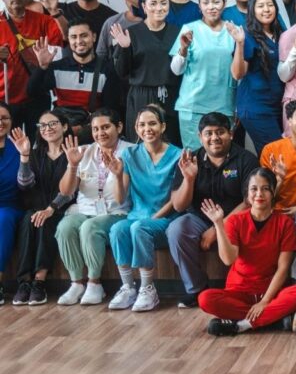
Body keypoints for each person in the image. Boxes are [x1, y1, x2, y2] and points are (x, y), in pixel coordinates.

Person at [199, 168, 296, 336]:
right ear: (247, 193)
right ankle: (276, 320)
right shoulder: (236, 220)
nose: (259, 194)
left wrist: (265, 301)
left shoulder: (285, 223)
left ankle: (241, 325)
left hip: (272, 292)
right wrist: (218, 224)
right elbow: (229, 259)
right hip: (239, 291)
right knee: (205, 299)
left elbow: (283, 269)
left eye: (265, 188)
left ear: (273, 192)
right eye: (254, 189)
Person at [168, 112, 259, 308]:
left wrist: (218, 228)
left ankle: (243, 290)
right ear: (200, 137)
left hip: (236, 219)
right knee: (176, 229)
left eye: (220, 132)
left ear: (231, 134)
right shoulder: (190, 159)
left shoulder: (247, 159)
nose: (215, 138)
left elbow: (250, 202)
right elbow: (178, 205)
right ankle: (196, 289)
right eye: (208, 133)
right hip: (199, 219)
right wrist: (189, 179)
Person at [106, 105, 183, 312]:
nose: (147, 129)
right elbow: (120, 198)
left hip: (166, 218)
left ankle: (148, 288)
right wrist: (117, 175)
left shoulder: (178, 155)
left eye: (152, 123)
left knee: (139, 227)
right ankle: (128, 287)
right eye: (142, 124)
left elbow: (176, 199)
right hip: (137, 216)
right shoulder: (129, 154)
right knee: (117, 229)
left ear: (163, 126)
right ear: (136, 128)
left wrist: (153, 218)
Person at [54, 109, 133, 306]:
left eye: (105, 127)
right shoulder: (83, 151)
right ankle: (76, 283)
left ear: (119, 127)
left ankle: (94, 282)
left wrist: (117, 174)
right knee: (65, 227)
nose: (100, 133)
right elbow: (65, 191)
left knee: (90, 227)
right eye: (96, 129)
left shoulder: (130, 151)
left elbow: (120, 198)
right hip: (85, 210)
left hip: (117, 212)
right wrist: (72, 166)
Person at [10, 111, 69, 305]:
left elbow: (71, 191)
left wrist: (51, 208)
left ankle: (39, 282)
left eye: (53, 124)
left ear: (64, 126)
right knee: (29, 220)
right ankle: (24, 282)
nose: (47, 128)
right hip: (37, 208)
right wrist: (24, 156)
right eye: (43, 125)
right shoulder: (35, 154)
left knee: (45, 221)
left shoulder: (73, 152)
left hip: (62, 209)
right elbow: (25, 185)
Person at [169, 0, 237, 150]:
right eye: (205, 2)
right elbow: (176, 70)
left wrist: (237, 107)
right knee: (194, 157)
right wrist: (183, 48)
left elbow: (240, 71)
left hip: (224, 104)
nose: (211, 7)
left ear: (224, 3)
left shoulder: (233, 30)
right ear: (199, 6)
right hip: (193, 105)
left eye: (216, 2)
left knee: (221, 156)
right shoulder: (189, 29)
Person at [110, 0, 181, 145]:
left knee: (170, 143)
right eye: (153, 3)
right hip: (141, 94)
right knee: (141, 143)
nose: (159, 8)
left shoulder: (178, 32)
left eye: (163, 3)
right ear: (144, 6)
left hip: (170, 95)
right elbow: (121, 72)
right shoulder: (131, 33)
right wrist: (124, 48)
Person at [30, 20, 117, 135]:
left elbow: (110, 109)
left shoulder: (107, 69)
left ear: (94, 37)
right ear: (68, 40)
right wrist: (42, 67)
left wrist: (84, 128)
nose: (79, 41)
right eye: (73, 37)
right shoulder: (57, 67)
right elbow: (32, 92)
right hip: (61, 130)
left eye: (84, 36)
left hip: (92, 130)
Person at [0, 0, 64, 127]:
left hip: (37, 95)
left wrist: (55, 13)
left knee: (38, 140)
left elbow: (63, 43)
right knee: (9, 141)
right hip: (5, 97)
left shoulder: (44, 20)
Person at [232, 0, 284, 155]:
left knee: (279, 153)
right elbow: (237, 74)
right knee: (276, 154)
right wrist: (240, 44)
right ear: (252, 10)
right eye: (260, 6)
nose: (266, 9)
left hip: (278, 105)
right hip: (256, 106)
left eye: (270, 5)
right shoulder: (247, 35)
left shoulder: (280, 33)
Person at [0, 104, 23, 303]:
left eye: (4, 118)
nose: (0, 122)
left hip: (11, 205)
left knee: (3, 219)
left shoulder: (19, 147)